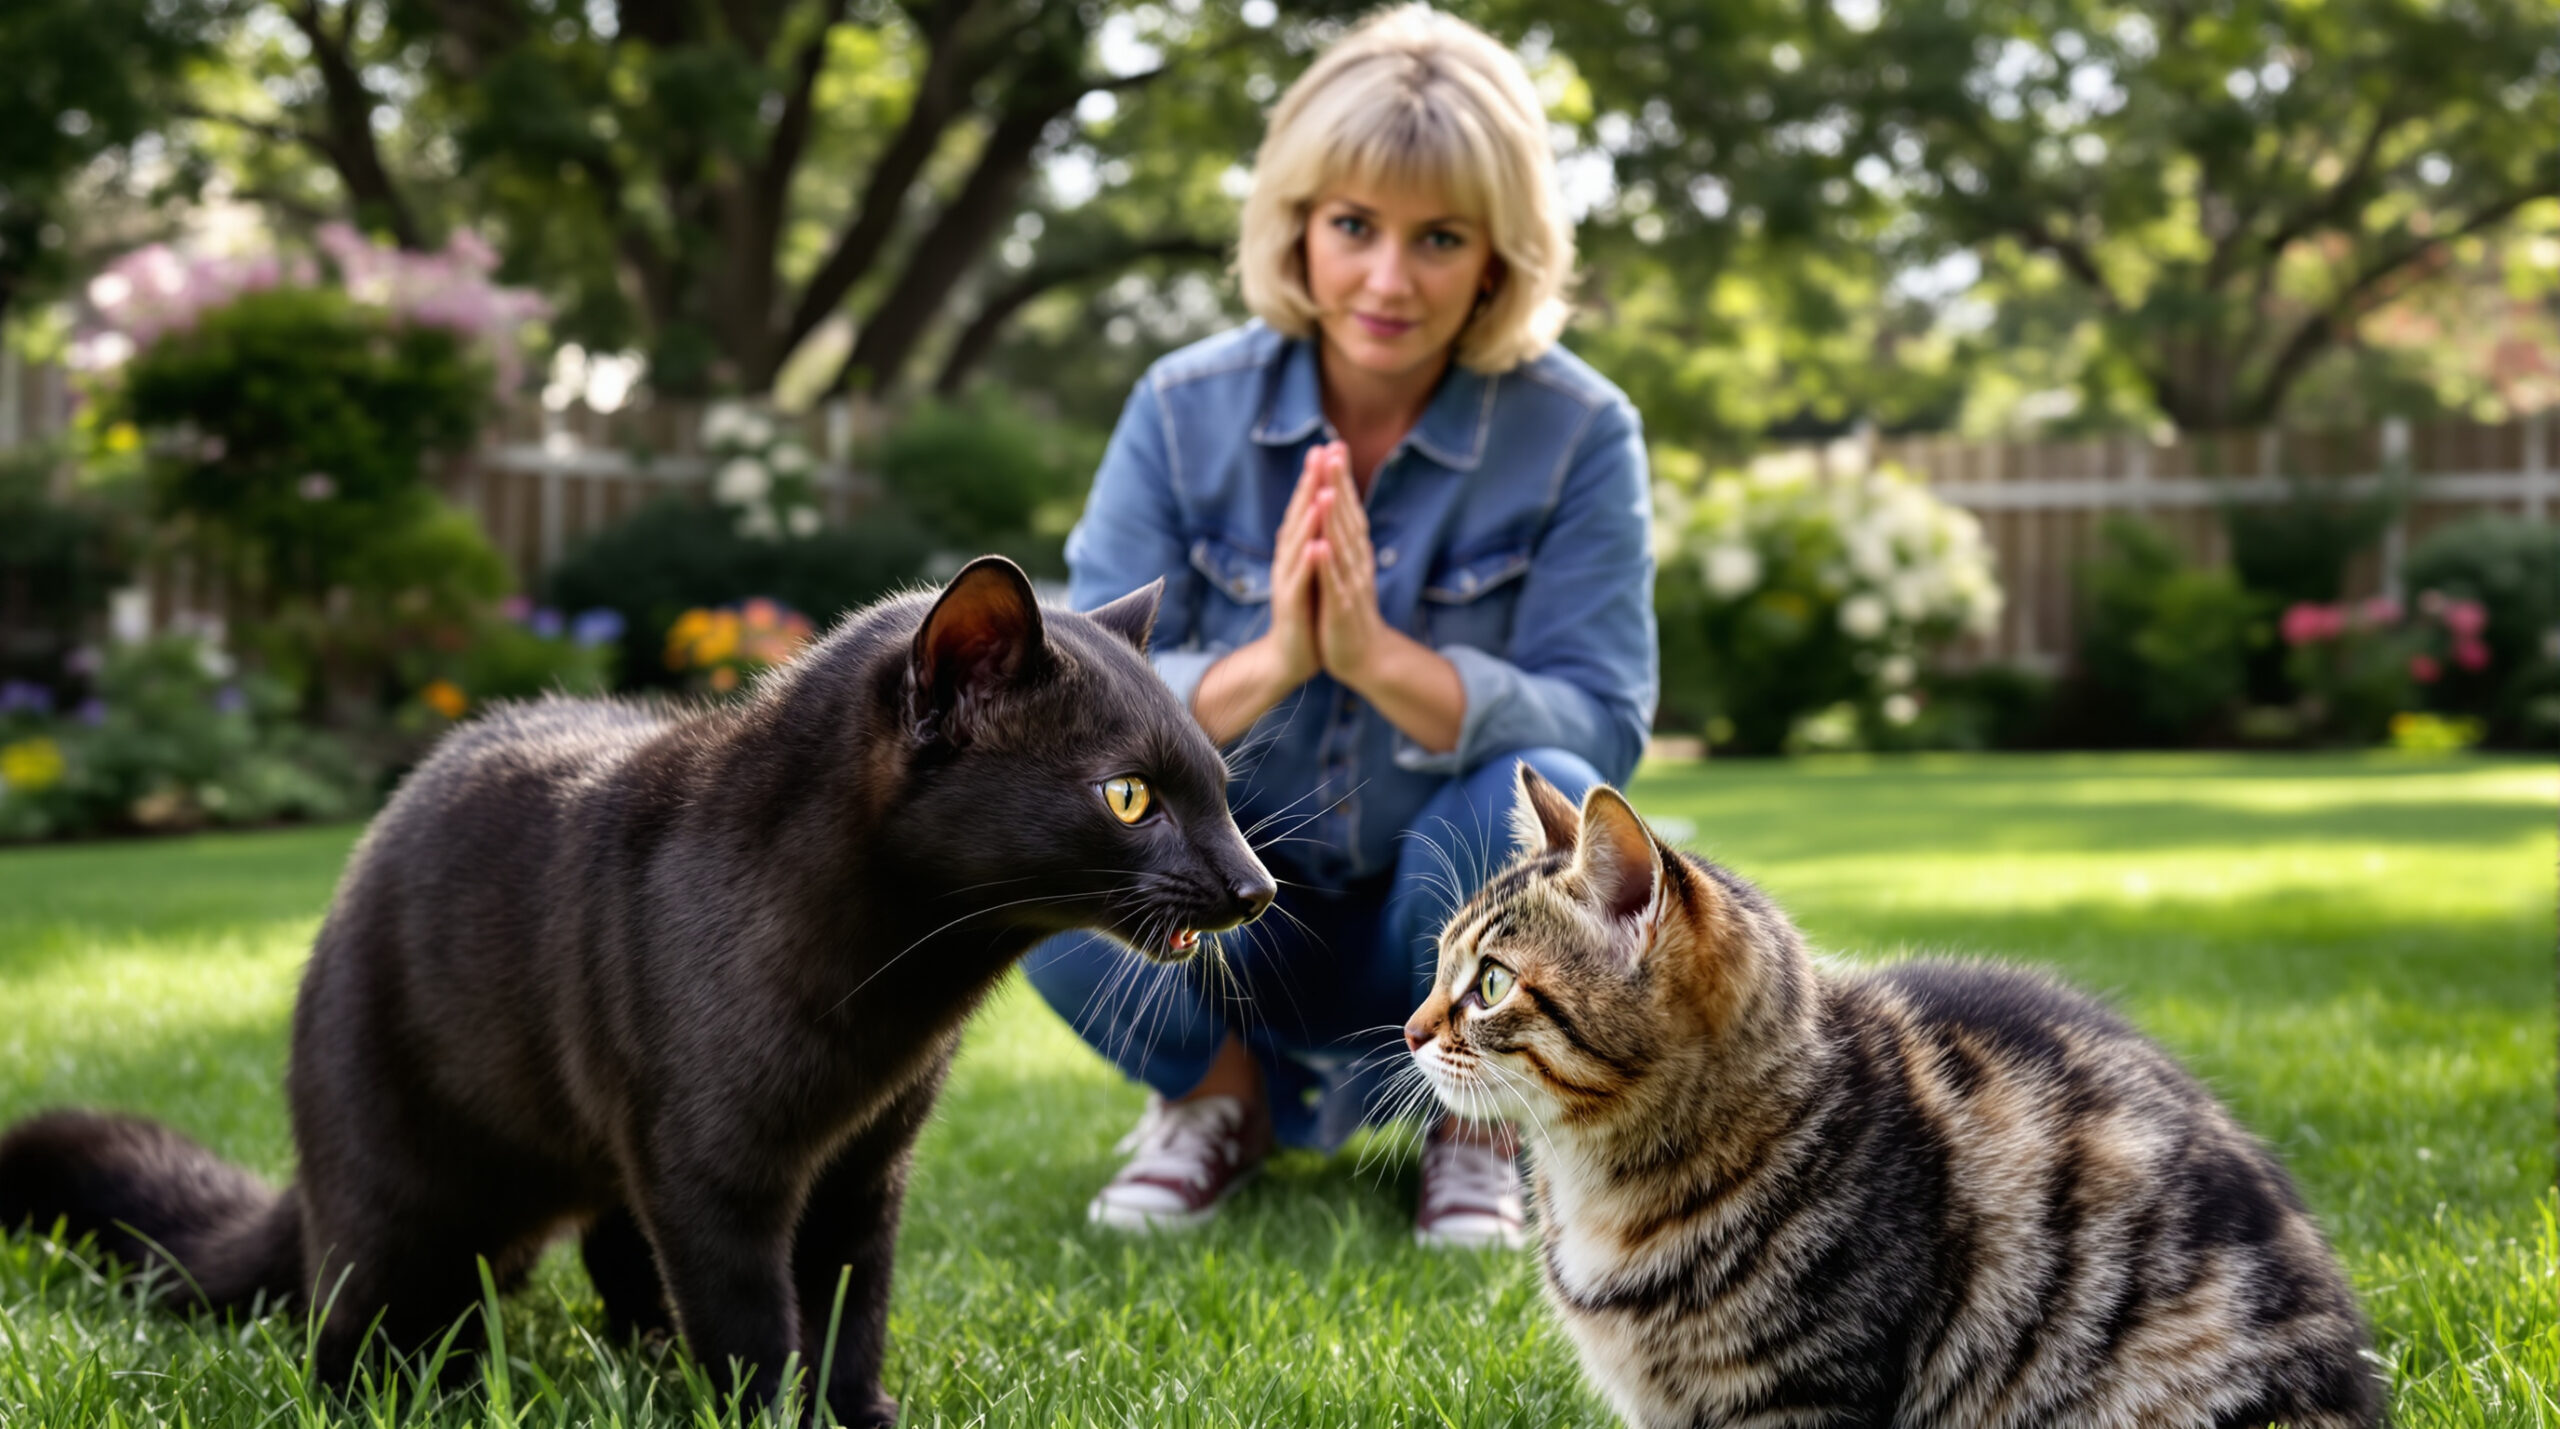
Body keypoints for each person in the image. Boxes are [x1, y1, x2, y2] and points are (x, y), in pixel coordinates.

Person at [1023, 4, 1655, 1250]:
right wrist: (1277, 662)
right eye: (1353, 227)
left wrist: (1382, 664)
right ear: (1298, 228)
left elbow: (1604, 722)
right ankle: (1218, 1105)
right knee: (1037, 826)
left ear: (1497, 256)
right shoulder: (1178, 406)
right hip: (1219, 910)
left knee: (1548, 795)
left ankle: (1472, 1127)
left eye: (1438, 238)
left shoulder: (1579, 429)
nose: (1386, 278)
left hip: (1440, 932)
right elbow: (1070, 702)